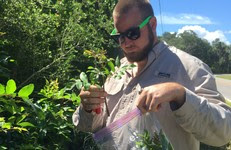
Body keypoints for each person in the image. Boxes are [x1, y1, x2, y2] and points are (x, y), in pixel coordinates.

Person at [73, 0, 231, 149]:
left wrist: (179, 94)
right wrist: (88, 108)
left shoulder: (190, 68)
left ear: (152, 24)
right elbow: (92, 127)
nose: (126, 43)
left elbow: (224, 133)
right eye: (120, 36)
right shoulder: (117, 70)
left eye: (133, 33)